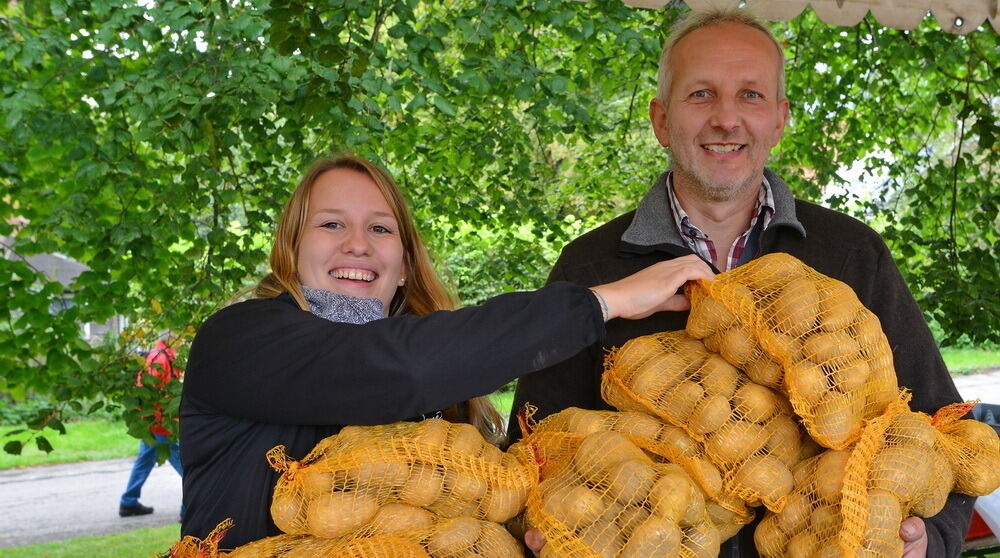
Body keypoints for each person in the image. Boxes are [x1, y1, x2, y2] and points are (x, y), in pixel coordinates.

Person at [508, 8, 974, 558]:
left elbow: (940, 427)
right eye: (701, 95)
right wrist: (544, 531)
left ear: (780, 119)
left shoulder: (851, 254)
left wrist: (929, 542)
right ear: (662, 120)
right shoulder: (592, 270)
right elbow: (533, 454)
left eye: (750, 95)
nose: (726, 119)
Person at [179, 153, 713, 548]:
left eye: (380, 228)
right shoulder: (237, 341)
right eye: (331, 224)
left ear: (405, 266)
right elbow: (391, 366)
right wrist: (602, 302)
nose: (357, 244)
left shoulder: (445, 393)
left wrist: (536, 532)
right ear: (291, 249)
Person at [119, 333, 184, 518]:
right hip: (160, 422)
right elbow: (152, 392)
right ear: (172, 337)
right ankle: (188, 511)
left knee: (144, 460)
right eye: (181, 338)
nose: (183, 342)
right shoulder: (162, 357)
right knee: (187, 467)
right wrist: (163, 418)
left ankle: (128, 502)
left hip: (153, 421)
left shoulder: (162, 355)